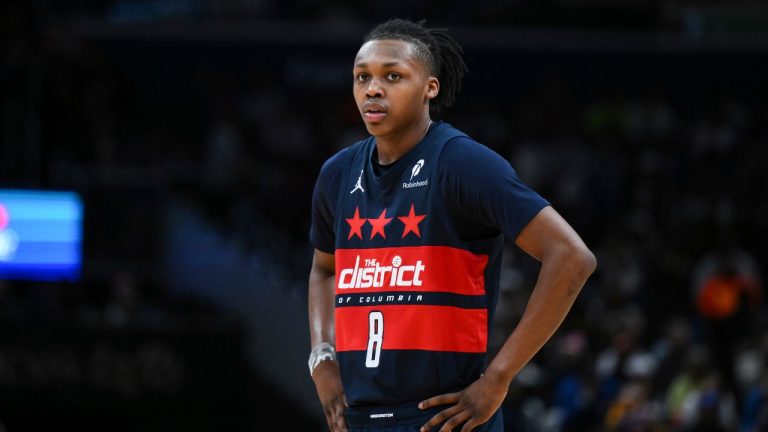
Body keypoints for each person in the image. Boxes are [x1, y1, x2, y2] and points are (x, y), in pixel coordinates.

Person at [307, 18, 596, 432]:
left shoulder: (463, 163)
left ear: (431, 87)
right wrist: (322, 355)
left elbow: (572, 257)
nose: (372, 89)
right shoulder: (337, 174)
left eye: (393, 76)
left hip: (444, 417)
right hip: (359, 418)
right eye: (362, 77)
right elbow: (323, 267)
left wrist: (498, 377)